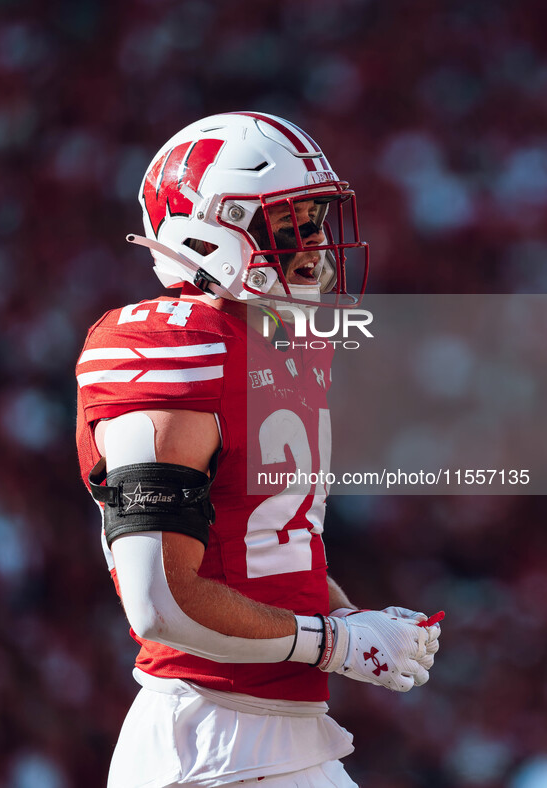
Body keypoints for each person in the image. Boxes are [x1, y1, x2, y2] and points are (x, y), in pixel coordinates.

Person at [75, 112, 441, 787]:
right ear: (209, 229)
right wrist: (336, 645)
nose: (312, 243)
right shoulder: (169, 349)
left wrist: (349, 619)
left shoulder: (285, 337)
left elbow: (273, 543)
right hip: (210, 740)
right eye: (286, 222)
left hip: (276, 738)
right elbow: (161, 603)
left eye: (313, 218)